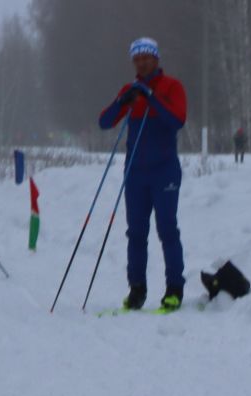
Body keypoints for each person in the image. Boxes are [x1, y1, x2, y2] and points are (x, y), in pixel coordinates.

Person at [97, 37, 188, 311]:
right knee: (136, 233)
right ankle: (137, 289)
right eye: (137, 59)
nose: (142, 62)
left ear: (156, 59)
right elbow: (104, 122)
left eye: (147, 57)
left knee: (167, 230)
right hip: (135, 173)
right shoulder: (131, 89)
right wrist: (122, 101)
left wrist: (150, 98)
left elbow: (176, 121)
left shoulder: (172, 86)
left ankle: (174, 289)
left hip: (165, 171)